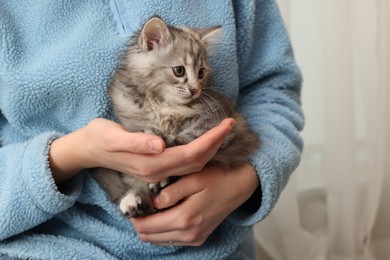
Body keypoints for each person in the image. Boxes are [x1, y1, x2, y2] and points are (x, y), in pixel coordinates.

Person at [0, 0, 303, 259]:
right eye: (183, 73)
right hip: (50, 246)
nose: (195, 87)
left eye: (199, 75)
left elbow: (273, 88)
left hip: (216, 247)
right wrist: (74, 154)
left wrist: (245, 179)